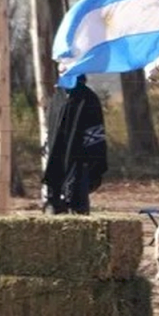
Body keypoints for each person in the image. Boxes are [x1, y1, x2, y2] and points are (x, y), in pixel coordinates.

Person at [42, 75, 108, 215]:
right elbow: (51, 130)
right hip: (58, 161)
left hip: (79, 163)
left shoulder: (87, 98)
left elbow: (94, 134)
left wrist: (91, 161)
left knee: (77, 206)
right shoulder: (57, 98)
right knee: (56, 208)